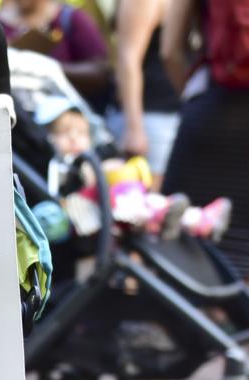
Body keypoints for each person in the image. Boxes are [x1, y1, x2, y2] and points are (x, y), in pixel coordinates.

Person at [43, 100, 231, 239]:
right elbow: (58, 196)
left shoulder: (93, 157)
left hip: (117, 205)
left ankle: (201, 220)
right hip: (89, 214)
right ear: (51, 138)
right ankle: (169, 215)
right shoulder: (61, 165)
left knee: (147, 201)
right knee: (138, 204)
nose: (74, 139)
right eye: (65, 133)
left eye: (81, 134)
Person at [160, 0, 249, 276]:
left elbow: (169, 51)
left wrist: (193, 94)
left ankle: (192, 315)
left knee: (182, 236)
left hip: (210, 112)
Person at [110, 0, 180, 184]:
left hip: (173, 115)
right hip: (150, 119)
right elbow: (127, 59)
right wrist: (134, 128)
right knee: (155, 204)